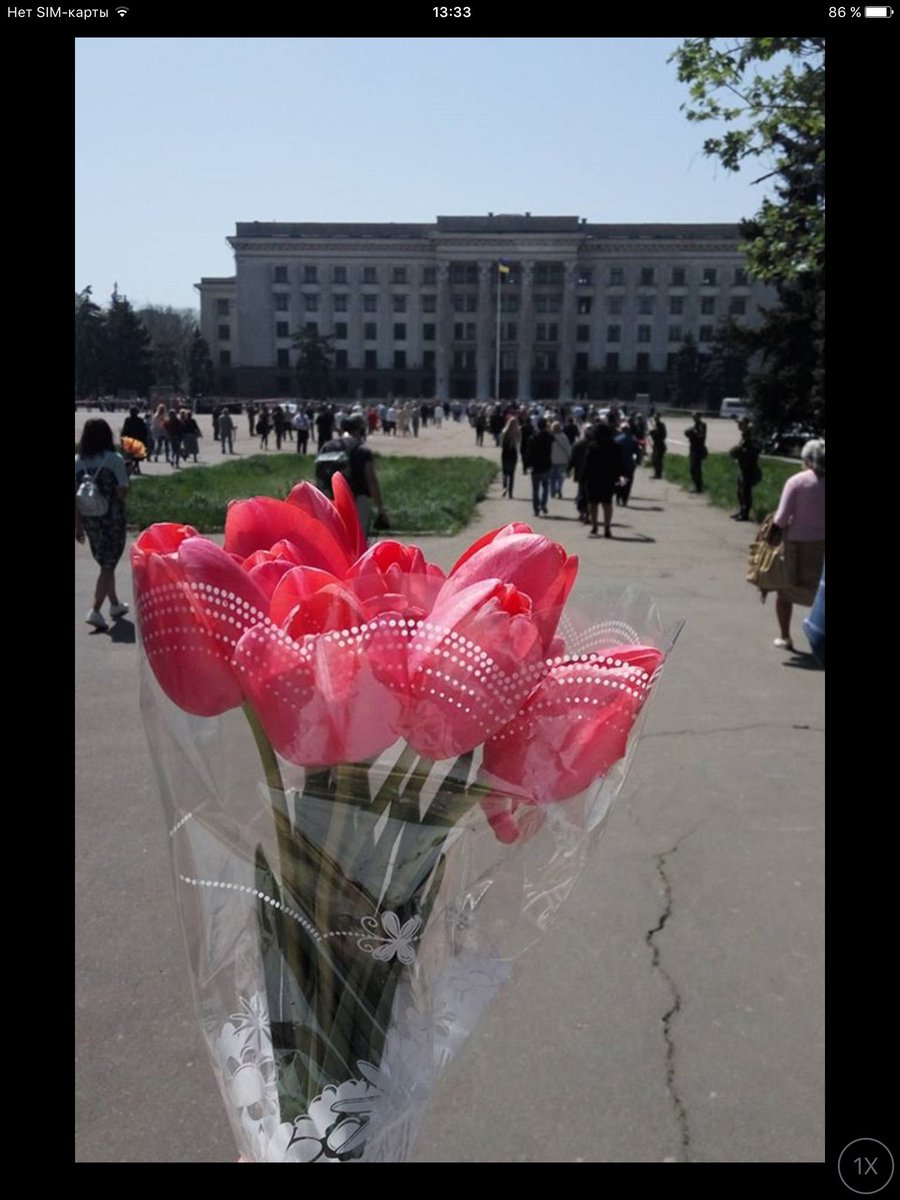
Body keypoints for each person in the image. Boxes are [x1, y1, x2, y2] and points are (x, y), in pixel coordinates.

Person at [769, 439, 825, 652]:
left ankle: (785, 636)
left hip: (797, 545)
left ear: (807, 459)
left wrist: (771, 535)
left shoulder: (797, 481)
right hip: (823, 547)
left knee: (785, 591)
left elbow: (782, 518)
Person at [75, 419, 130, 631]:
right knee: (109, 564)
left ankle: (115, 605)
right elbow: (122, 491)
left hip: (90, 520)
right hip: (112, 518)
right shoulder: (114, 460)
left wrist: (77, 526)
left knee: (105, 563)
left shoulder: (78, 462)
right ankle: (95, 610)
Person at [322, 414, 387, 539]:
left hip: (331, 498)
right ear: (360, 430)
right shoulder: (362, 450)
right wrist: (380, 508)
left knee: (337, 538)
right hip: (358, 498)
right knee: (358, 540)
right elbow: (371, 481)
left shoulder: (327, 447)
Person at [578, 423, 621, 538]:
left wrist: (582, 478)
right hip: (608, 479)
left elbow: (587, 464)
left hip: (593, 479)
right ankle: (607, 527)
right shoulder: (614, 446)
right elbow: (618, 464)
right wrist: (618, 477)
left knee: (593, 504)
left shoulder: (592, 446)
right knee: (607, 504)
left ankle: (595, 526)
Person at [729, 417, 762, 521]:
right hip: (743, 467)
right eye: (738, 423)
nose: (739, 425)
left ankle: (745, 513)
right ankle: (741, 511)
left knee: (745, 491)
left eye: (742, 423)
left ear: (747, 424)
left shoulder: (751, 436)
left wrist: (742, 451)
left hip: (749, 468)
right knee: (740, 491)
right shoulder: (744, 436)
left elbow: (756, 449)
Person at [526, 417, 554, 517]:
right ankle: (543, 504)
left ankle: (536, 508)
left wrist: (527, 465)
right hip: (546, 465)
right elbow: (553, 438)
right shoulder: (549, 437)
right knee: (546, 487)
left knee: (535, 489)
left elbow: (529, 453)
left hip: (536, 466)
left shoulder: (533, 438)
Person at [614, 421, 640, 507]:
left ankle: (618, 498)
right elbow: (637, 453)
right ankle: (624, 499)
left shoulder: (617, 439)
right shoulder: (634, 439)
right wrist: (637, 462)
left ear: (622, 430)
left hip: (618, 465)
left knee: (620, 482)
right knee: (627, 482)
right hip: (629, 465)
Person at [685, 412, 708, 493]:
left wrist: (693, 433)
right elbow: (688, 432)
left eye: (695, 417)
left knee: (696, 468)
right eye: (693, 417)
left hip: (698, 449)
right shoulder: (694, 426)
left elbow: (701, 436)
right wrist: (689, 432)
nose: (694, 418)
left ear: (699, 417)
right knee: (692, 468)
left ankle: (698, 486)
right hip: (693, 448)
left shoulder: (702, 425)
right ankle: (695, 484)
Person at [500, 415, 521, 498]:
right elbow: (519, 443)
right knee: (512, 474)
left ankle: (504, 487)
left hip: (505, 453)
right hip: (513, 453)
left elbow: (501, 444)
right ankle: (510, 493)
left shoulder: (504, 432)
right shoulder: (517, 432)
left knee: (505, 472)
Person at [550, 421, 571, 500]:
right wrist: (570, 458)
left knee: (552, 478)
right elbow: (568, 448)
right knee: (561, 477)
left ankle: (552, 491)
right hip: (563, 460)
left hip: (552, 460)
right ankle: (559, 489)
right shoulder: (564, 436)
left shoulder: (550, 437)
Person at [648, 414, 667, 479]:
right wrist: (651, 433)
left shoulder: (661, 425)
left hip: (660, 445)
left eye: (656, 418)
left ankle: (658, 474)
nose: (655, 419)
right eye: (654, 418)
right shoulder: (655, 426)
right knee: (654, 459)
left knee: (658, 460)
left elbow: (663, 436)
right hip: (656, 445)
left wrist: (654, 433)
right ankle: (656, 473)